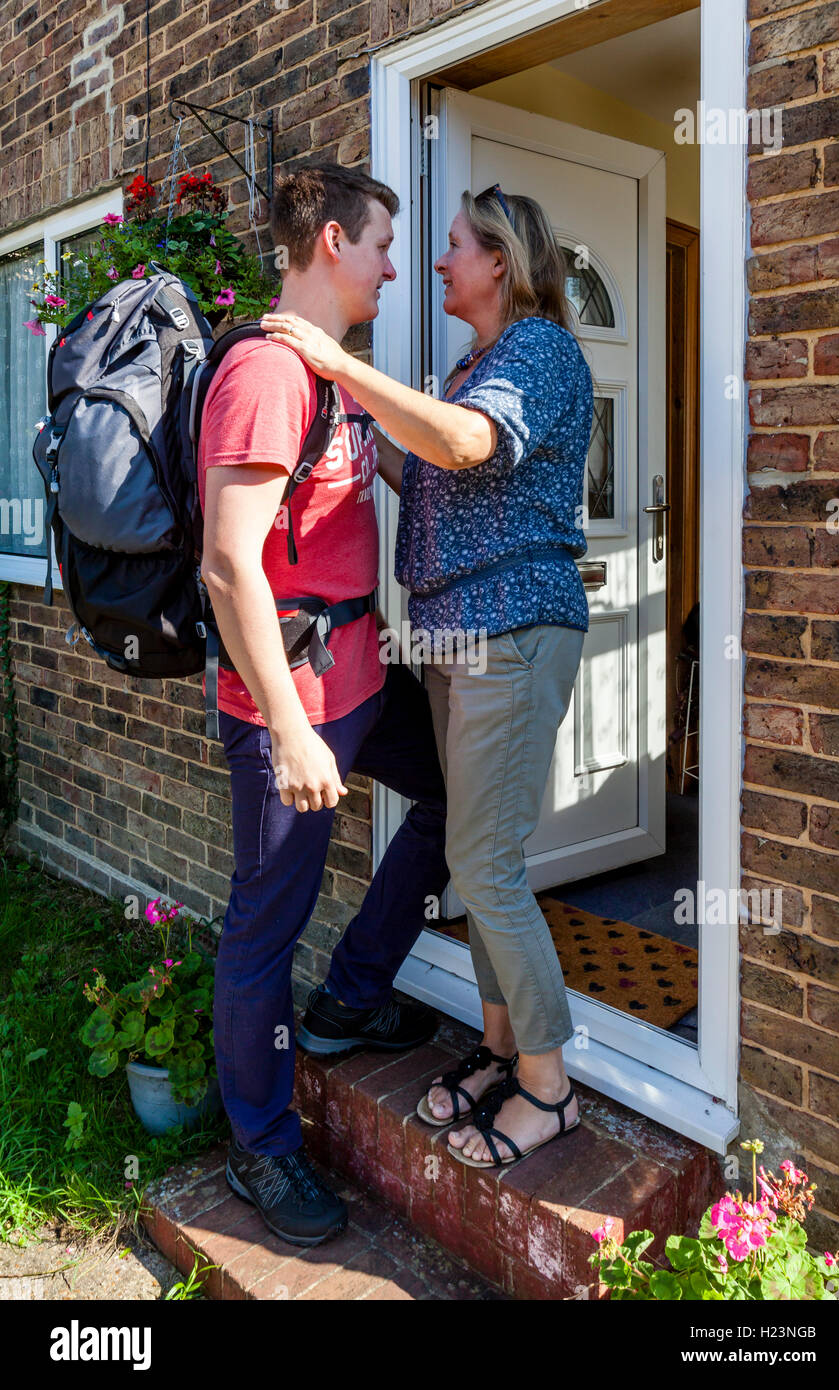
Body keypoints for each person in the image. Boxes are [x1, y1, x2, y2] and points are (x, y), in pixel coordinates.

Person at [261, 181, 594, 1171]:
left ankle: (548, 1088)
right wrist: (359, 436)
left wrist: (341, 369)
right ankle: (500, 1049)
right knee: (474, 855)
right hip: (452, 634)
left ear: (499, 258)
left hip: (508, 630)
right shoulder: (470, 362)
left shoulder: (537, 350)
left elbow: (462, 441)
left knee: (486, 865)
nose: (432, 263)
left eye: (449, 246)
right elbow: (439, 471)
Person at [199, 163, 450, 1246]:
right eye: (385, 244)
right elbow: (226, 565)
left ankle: (351, 994)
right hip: (287, 709)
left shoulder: (332, 369)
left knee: (453, 796)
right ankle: (260, 1147)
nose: (396, 264)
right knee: (264, 925)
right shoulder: (265, 373)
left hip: (359, 678)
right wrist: (291, 726)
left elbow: (371, 471)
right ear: (335, 241)